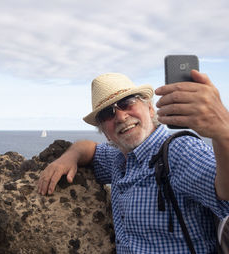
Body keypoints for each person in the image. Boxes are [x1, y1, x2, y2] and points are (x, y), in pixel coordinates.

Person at [37, 70, 229, 253]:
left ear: (150, 108)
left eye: (128, 102)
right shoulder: (119, 158)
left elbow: (225, 192)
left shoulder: (179, 152)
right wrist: (69, 157)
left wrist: (223, 133)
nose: (121, 116)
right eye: (107, 114)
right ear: (105, 132)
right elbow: (89, 148)